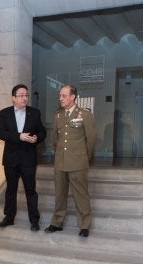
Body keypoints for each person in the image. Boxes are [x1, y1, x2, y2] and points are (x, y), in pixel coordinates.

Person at [45, 84, 96, 237]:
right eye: (60, 95)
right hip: (61, 161)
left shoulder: (84, 115)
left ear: (73, 97)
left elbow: (91, 139)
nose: (60, 98)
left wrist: (84, 156)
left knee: (81, 194)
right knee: (59, 193)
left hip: (78, 161)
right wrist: (60, 153)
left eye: (64, 95)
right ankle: (57, 222)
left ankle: (84, 225)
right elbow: (55, 138)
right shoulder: (58, 115)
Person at [0, 84, 47, 231]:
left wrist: (37, 138)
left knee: (30, 190)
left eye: (26, 95)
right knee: (11, 190)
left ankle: (34, 221)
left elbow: (42, 132)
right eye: (21, 95)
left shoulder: (35, 113)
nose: (25, 98)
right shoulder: (4, 113)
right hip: (11, 159)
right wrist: (19, 136)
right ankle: (9, 218)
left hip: (28, 159)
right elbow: (1, 134)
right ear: (13, 98)